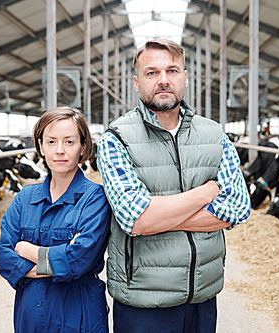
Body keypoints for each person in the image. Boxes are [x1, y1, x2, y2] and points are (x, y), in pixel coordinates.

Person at [97, 38, 251, 333]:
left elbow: (239, 208)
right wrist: (208, 192)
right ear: (136, 83)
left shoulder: (214, 134)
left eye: (172, 71)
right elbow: (136, 219)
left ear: (185, 78)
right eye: (151, 72)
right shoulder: (116, 138)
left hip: (202, 295)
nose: (163, 80)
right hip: (143, 301)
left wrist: (160, 215)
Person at [0, 107, 111, 332]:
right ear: (40, 146)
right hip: (30, 313)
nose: (59, 150)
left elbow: (78, 260)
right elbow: (4, 258)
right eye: (51, 142)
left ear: (83, 147)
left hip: (79, 314)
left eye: (69, 142)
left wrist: (25, 249)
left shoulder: (95, 198)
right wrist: (58, 260)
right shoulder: (24, 198)